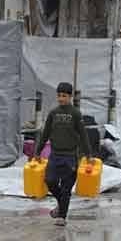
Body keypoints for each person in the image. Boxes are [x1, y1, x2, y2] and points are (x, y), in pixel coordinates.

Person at [36, 82, 91, 227]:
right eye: (59, 96)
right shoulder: (53, 113)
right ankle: (62, 204)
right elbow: (45, 134)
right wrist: (37, 151)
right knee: (50, 181)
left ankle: (62, 216)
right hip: (55, 155)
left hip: (70, 157)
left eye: (64, 96)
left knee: (66, 187)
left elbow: (83, 135)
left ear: (70, 96)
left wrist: (88, 155)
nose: (61, 99)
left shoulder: (75, 114)